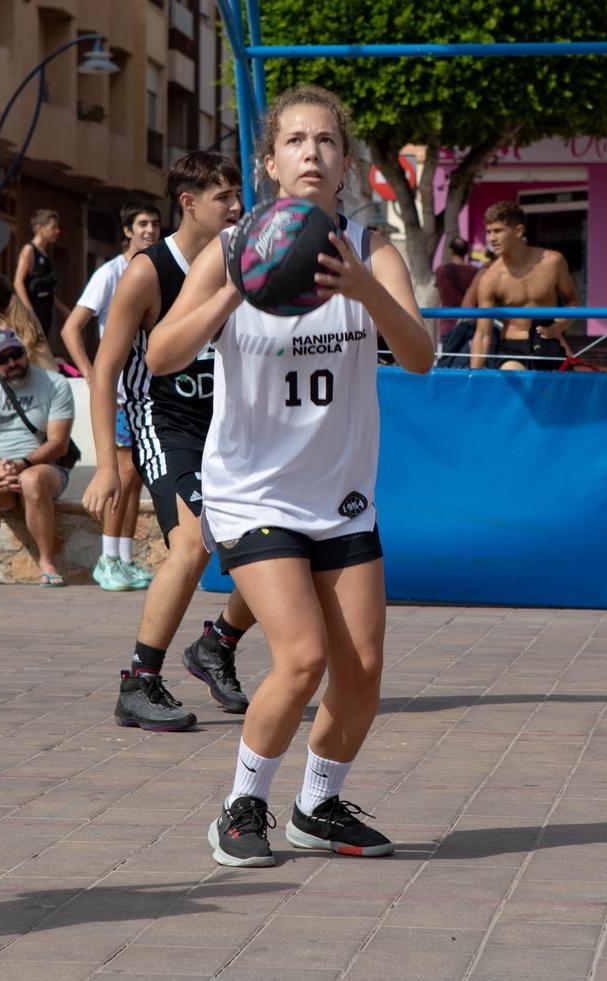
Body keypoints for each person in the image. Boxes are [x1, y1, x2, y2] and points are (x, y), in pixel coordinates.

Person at [146, 85, 436, 868]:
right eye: (296, 141)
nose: (313, 151)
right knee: (302, 656)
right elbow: (161, 355)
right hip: (253, 493)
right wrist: (234, 290)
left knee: (364, 669)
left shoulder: (369, 249)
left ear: (344, 163)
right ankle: (242, 804)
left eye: (328, 141)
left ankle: (317, 805)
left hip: (339, 495)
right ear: (270, 162)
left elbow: (420, 355)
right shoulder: (231, 246)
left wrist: (367, 289)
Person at [83, 151, 259, 730]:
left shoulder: (243, 259)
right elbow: (105, 368)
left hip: (231, 424)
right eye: (223, 197)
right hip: (166, 423)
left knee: (283, 542)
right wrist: (107, 466)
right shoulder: (148, 272)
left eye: (238, 195)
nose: (236, 206)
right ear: (188, 203)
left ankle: (218, 644)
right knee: (192, 544)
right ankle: (140, 681)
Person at [63, 202, 162, 591]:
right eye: (142, 224)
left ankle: (123, 558)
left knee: (135, 478)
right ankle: (107, 559)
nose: (150, 230)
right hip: (121, 395)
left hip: (148, 393)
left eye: (154, 223)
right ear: (127, 230)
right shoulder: (111, 273)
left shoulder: (156, 267)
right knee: (121, 475)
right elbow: (72, 327)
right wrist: (90, 372)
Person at [0, 327, 76, 585]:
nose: (12, 363)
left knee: (31, 481)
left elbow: (59, 443)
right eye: (3, 359)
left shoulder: (55, 383)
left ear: (25, 353)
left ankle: (47, 563)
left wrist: (23, 464)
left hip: (45, 467)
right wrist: (0, 465)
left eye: (16, 354)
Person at [469, 200, 578, 371]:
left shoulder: (553, 262)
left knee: (557, 394)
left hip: (547, 343)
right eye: (488, 232)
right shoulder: (490, 278)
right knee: (512, 374)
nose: (491, 238)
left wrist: (560, 326)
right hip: (512, 348)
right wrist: (472, 380)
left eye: (498, 231)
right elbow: (483, 335)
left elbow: (572, 301)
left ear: (519, 230)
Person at [13, 208, 67, 338]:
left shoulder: (45, 253)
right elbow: (18, 283)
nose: (57, 231)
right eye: (53, 227)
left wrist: (64, 311)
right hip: (31, 320)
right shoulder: (29, 250)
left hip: (44, 317)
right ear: (39, 229)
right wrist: (30, 314)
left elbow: (47, 290)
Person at [433, 236, 482, 337]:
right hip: (469, 323)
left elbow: (438, 298)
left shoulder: (441, 271)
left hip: (447, 323)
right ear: (466, 252)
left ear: (450, 251)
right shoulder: (475, 272)